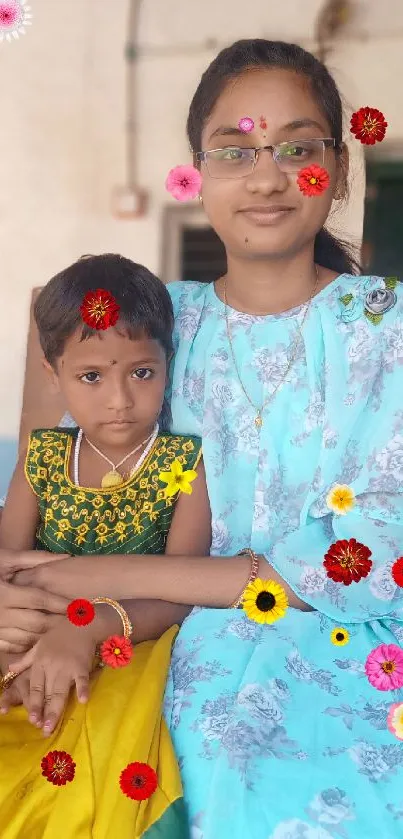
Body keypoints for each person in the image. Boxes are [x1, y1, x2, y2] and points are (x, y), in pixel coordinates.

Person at [1, 36, 403, 839]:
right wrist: (18, 599)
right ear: (196, 169)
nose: (265, 174)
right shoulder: (142, 322)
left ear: (341, 168)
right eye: (235, 149)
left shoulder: (383, 332)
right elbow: (38, 494)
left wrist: (79, 584)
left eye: (298, 148)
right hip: (136, 624)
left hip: (342, 638)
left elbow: (364, 558)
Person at [0, 253, 211, 839]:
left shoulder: (181, 465)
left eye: (142, 372)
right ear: (54, 374)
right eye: (91, 376)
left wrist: (88, 628)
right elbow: (7, 567)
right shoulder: (42, 458)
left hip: (127, 640)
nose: (119, 400)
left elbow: (179, 593)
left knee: (98, 759)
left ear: (169, 364)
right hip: (29, 632)